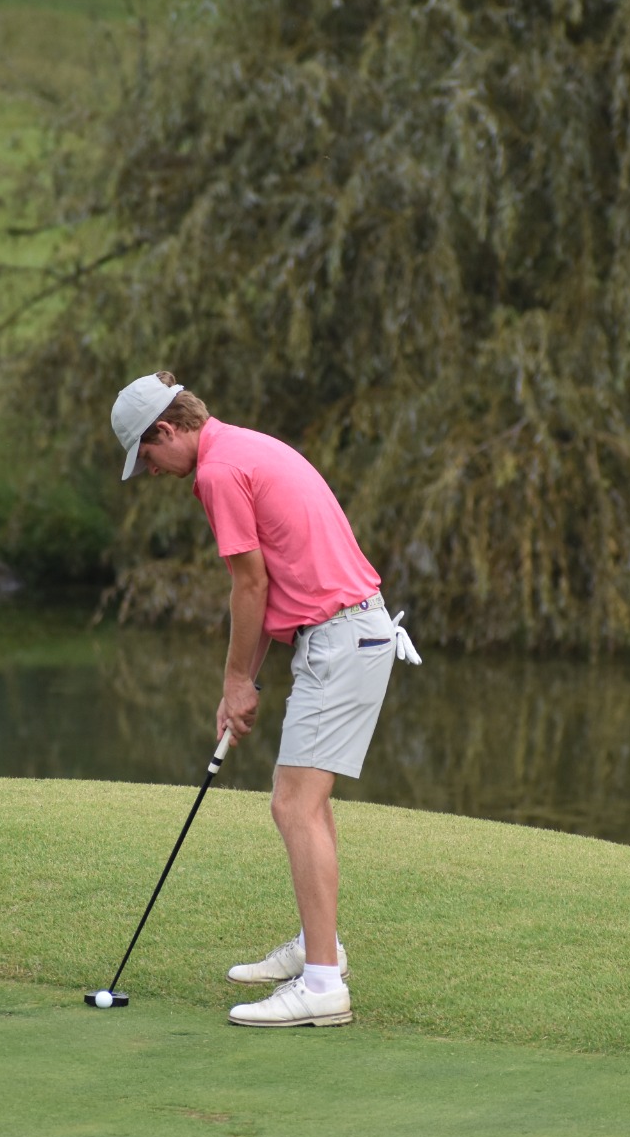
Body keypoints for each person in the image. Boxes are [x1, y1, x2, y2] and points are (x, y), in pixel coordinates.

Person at [109, 372, 418, 1027]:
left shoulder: (220, 474)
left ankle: (323, 985)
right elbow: (277, 581)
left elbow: (248, 587)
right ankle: (319, 947)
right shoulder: (243, 448)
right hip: (341, 634)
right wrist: (241, 683)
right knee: (301, 801)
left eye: (148, 455)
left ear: (166, 430)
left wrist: (233, 681)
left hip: (341, 639)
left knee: (292, 805)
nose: (153, 471)